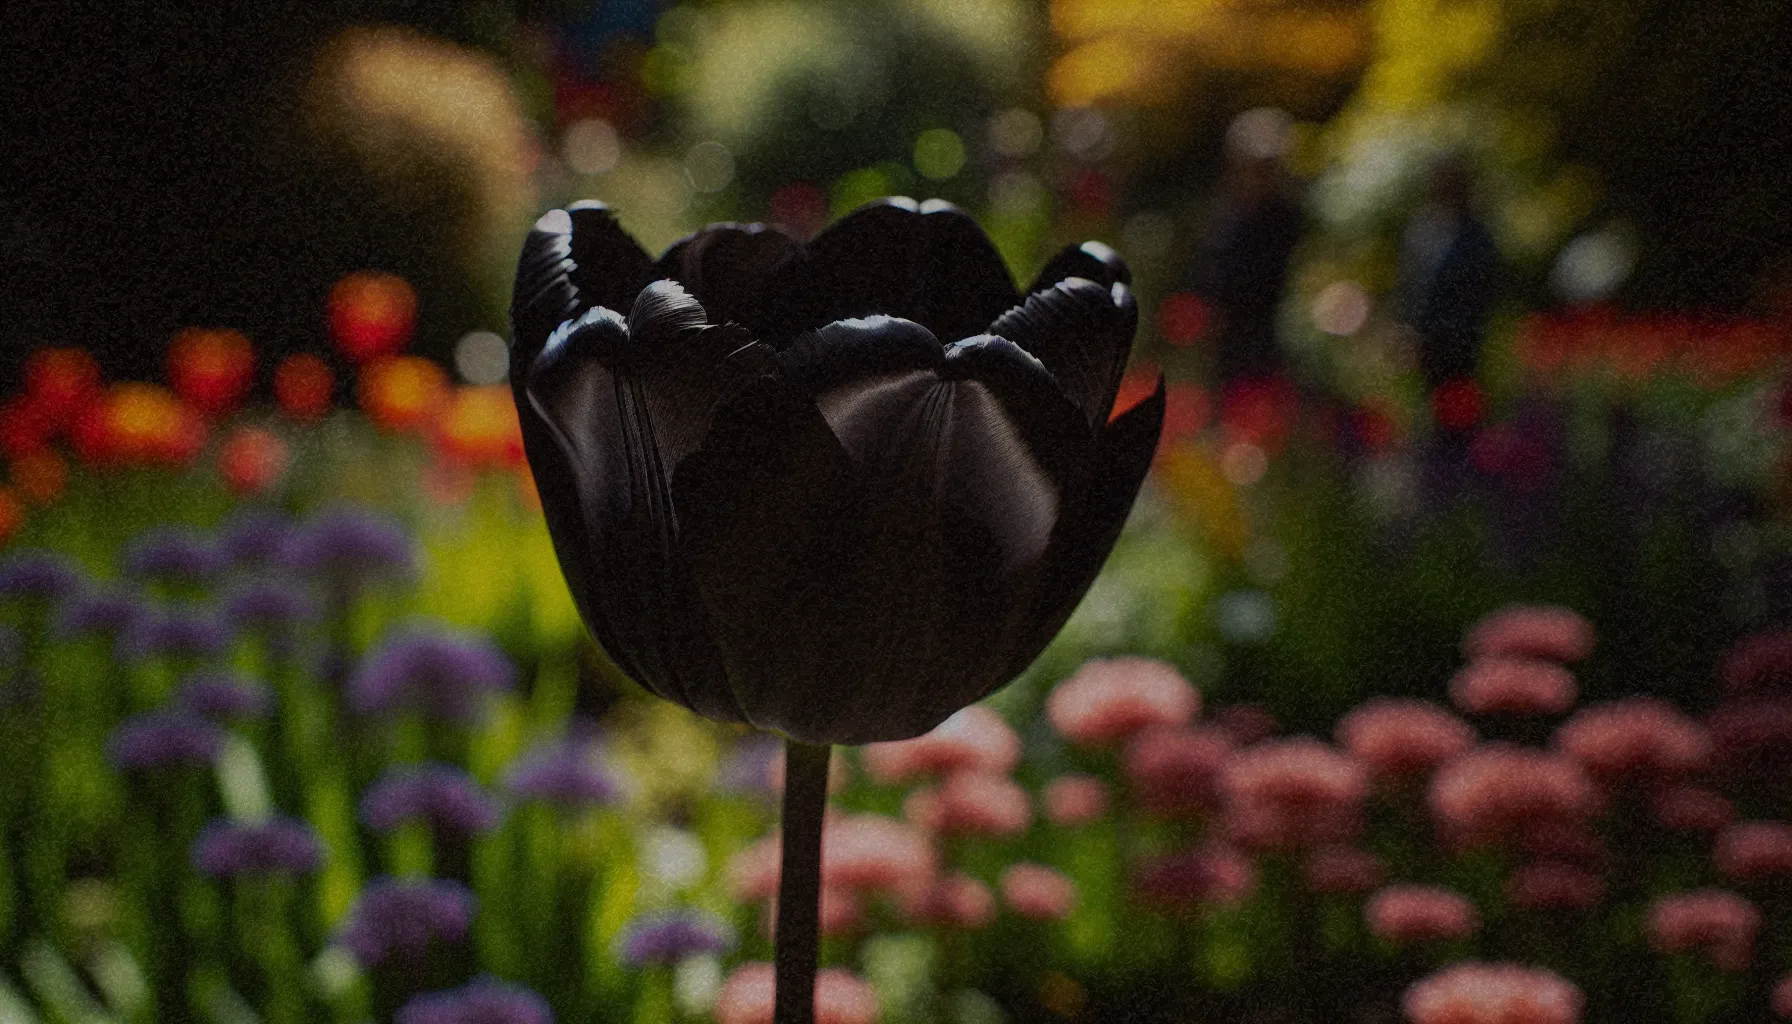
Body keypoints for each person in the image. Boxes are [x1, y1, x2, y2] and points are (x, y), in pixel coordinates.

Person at [1195, 108, 1305, 385]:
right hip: (1230, 335)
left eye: (1267, 167)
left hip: (1272, 334)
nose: (1260, 175)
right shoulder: (1228, 215)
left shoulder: (1286, 218)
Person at [1396, 154, 1501, 390]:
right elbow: (1409, 284)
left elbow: (1484, 291)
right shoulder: (1421, 230)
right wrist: (1407, 329)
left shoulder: (1477, 236)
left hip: (1462, 343)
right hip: (1424, 340)